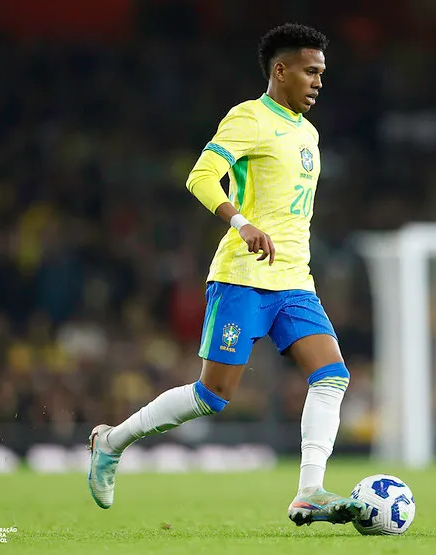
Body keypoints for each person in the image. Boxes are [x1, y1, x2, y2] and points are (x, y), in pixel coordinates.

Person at [87, 23, 366, 527]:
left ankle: (309, 492)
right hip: (243, 276)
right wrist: (243, 223)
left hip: (296, 282)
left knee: (332, 376)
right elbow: (200, 175)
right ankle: (111, 442)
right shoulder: (249, 118)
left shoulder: (309, 133)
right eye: (310, 71)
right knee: (212, 396)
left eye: (322, 72)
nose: (319, 81)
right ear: (280, 70)